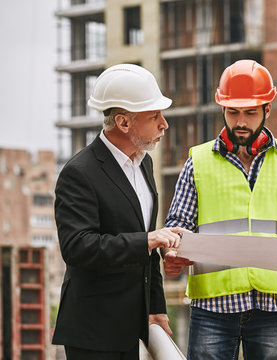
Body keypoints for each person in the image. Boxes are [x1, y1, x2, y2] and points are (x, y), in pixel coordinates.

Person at [163, 59, 277, 360]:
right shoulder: (198, 160)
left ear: (267, 110)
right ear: (222, 109)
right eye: (233, 112)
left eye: (250, 112)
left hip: (273, 306)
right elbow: (177, 224)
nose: (241, 121)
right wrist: (170, 253)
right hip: (213, 308)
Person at [52, 64, 183, 360]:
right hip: (93, 331)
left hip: (132, 329)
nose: (164, 124)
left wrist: (156, 308)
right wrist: (147, 240)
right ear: (124, 123)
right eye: (154, 116)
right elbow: (78, 247)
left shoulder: (144, 164)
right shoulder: (79, 173)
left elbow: (148, 255)